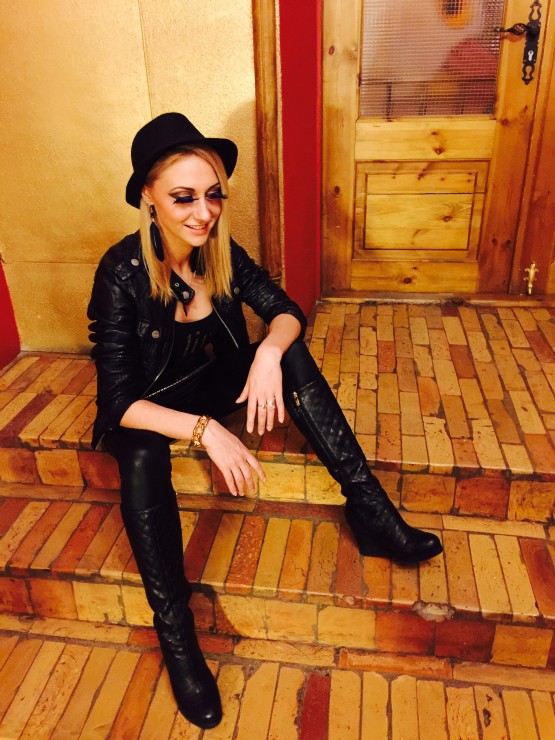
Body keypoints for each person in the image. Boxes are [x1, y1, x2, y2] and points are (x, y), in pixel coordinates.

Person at [88, 112, 442, 729]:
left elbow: (285, 309)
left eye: (213, 195)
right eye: (183, 197)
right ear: (147, 196)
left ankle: (371, 511)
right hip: (149, 406)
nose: (204, 213)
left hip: (203, 384)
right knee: (140, 456)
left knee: (292, 351)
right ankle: (177, 636)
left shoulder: (219, 253)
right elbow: (117, 402)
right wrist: (206, 431)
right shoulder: (121, 272)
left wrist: (270, 353)